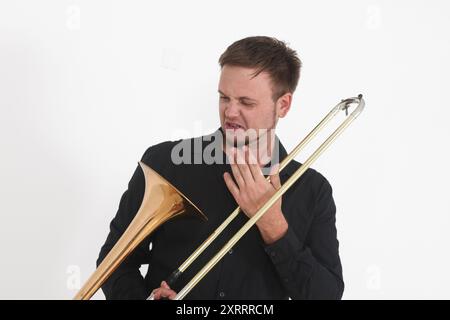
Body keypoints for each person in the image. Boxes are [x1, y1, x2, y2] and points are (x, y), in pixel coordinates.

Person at [97, 36, 344, 300]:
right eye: (224, 98)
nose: (230, 112)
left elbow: (326, 295)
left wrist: (273, 226)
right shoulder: (164, 162)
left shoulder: (313, 190)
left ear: (283, 105)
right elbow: (114, 263)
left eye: (246, 103)